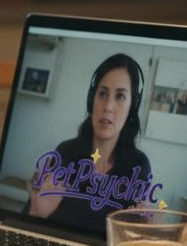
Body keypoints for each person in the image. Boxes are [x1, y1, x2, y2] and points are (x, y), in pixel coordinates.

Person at [27, 54, 155, 229]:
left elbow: (134, 237)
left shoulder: (138, 165)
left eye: (120, 96)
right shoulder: (65, 152)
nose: (107, 107)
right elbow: (28, 222)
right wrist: (37, 214)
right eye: (102, 94)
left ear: (132, 107)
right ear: (91, 99)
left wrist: (147, 229)